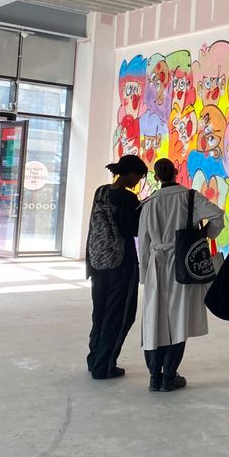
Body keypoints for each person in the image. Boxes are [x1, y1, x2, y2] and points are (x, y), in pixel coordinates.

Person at [138, 158, 224, 392]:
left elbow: (143, 244)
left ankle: (155, 377)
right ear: (176, 172)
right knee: (178, 317)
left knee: (153, 318)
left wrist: (144, 274)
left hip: (157, 263)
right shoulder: (189, 197)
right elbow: (217, 215)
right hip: (182, 261)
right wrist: (207, 234)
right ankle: (170, 376)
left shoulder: (148, 203)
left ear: (156, 177)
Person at [86, 154, 148, 380]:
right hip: (121, 264)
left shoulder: (100, 192)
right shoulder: (128, 199)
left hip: (98, 261)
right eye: (138, 177)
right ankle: (105, 365)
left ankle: (94, 360)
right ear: (131, 174)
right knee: (120, 315)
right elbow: (133, 230)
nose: (137, 182)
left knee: (100, 312)